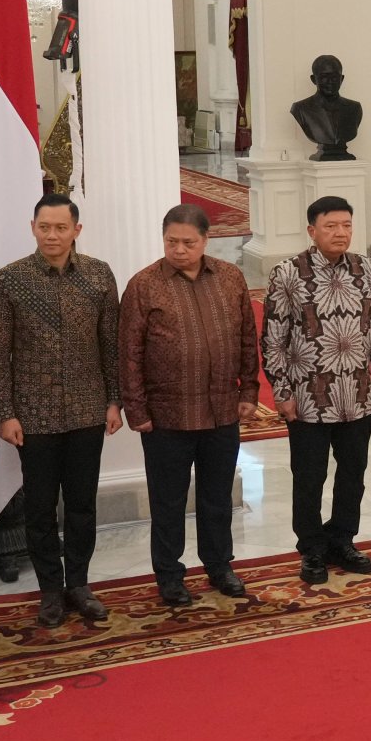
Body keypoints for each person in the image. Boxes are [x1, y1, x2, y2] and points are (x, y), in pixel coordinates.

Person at [0, 194, 122, 628]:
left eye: (61, 228)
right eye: (45, 227)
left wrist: (114, 400)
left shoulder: (99, 276)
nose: (53, 235)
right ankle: (49, 590)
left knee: (82, 504)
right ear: (33, 227)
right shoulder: (9, 281)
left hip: (87, 411)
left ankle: (78, 583)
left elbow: (110, 345)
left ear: (76, 230)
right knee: (40, 507)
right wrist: (5, 413)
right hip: (34, 416)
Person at [119, 204, 260, 606]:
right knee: (168, 501)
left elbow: (247, 338)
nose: (179, 250)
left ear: (206, 240)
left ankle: (220, 566)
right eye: (171, 242)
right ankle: (169, 574)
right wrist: (137, 410)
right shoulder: (144, 285)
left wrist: (248, 391)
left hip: (220, 411)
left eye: (188, 242)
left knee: (217, 497)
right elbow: (128, 352)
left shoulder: (229, 277)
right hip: (167, 417)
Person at [266, 195, 371, 586]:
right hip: (309, 398)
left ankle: (342, 540)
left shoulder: (365, 268)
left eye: (346, 225)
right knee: (309, 477)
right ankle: (312, 549)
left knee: (353, 474)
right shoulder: (288, 273)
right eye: (331, 226)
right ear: (312, 230)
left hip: (356, 394)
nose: (340, 233)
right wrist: (282, 391)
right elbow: (273, 339)